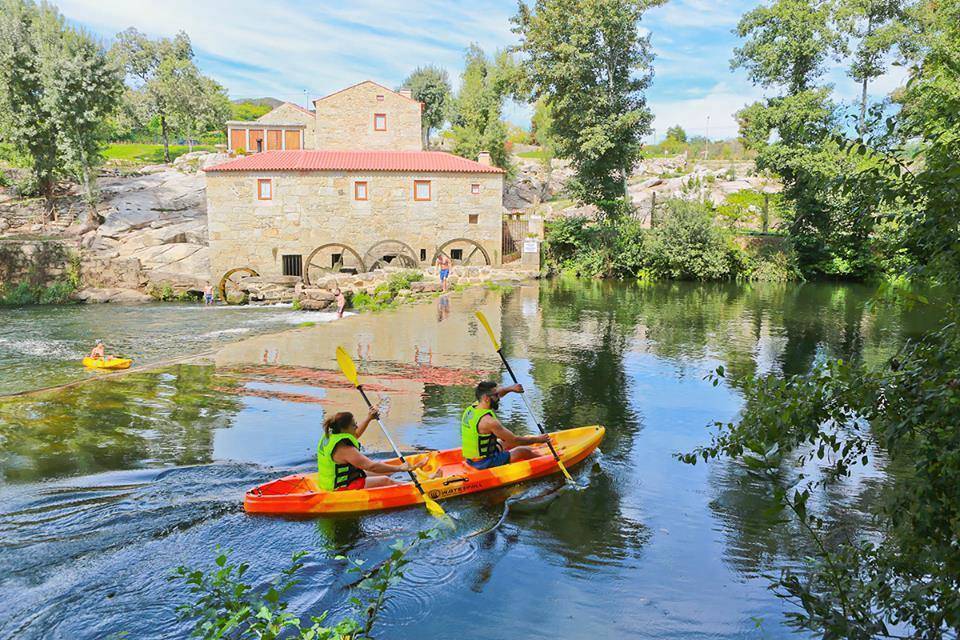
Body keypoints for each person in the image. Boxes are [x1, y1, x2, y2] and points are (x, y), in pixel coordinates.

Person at [317, 406, 426, 491]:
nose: (356, 427)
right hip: (341, 488)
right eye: (353, 425)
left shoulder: (331, 434)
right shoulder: (344, 449)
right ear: (344, 429)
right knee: (385, 480)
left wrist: (369, 418)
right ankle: (421, 487)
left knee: (385, 471)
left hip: (333, 481)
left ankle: (424, 478)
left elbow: (355, 434)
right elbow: (371, 466)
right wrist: (400, 468)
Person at [461, 381, 551, 470]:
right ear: (486, 398)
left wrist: (511, 388)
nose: (499, 398)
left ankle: (536, 449)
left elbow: (498, 393)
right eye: (496, 395)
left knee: (503, 441)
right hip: (484, 463)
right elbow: (515, 441)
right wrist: (538, 439)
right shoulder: (489, 422)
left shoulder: (473, 407)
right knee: (522, 451)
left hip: (472, 458)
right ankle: (545, 460)